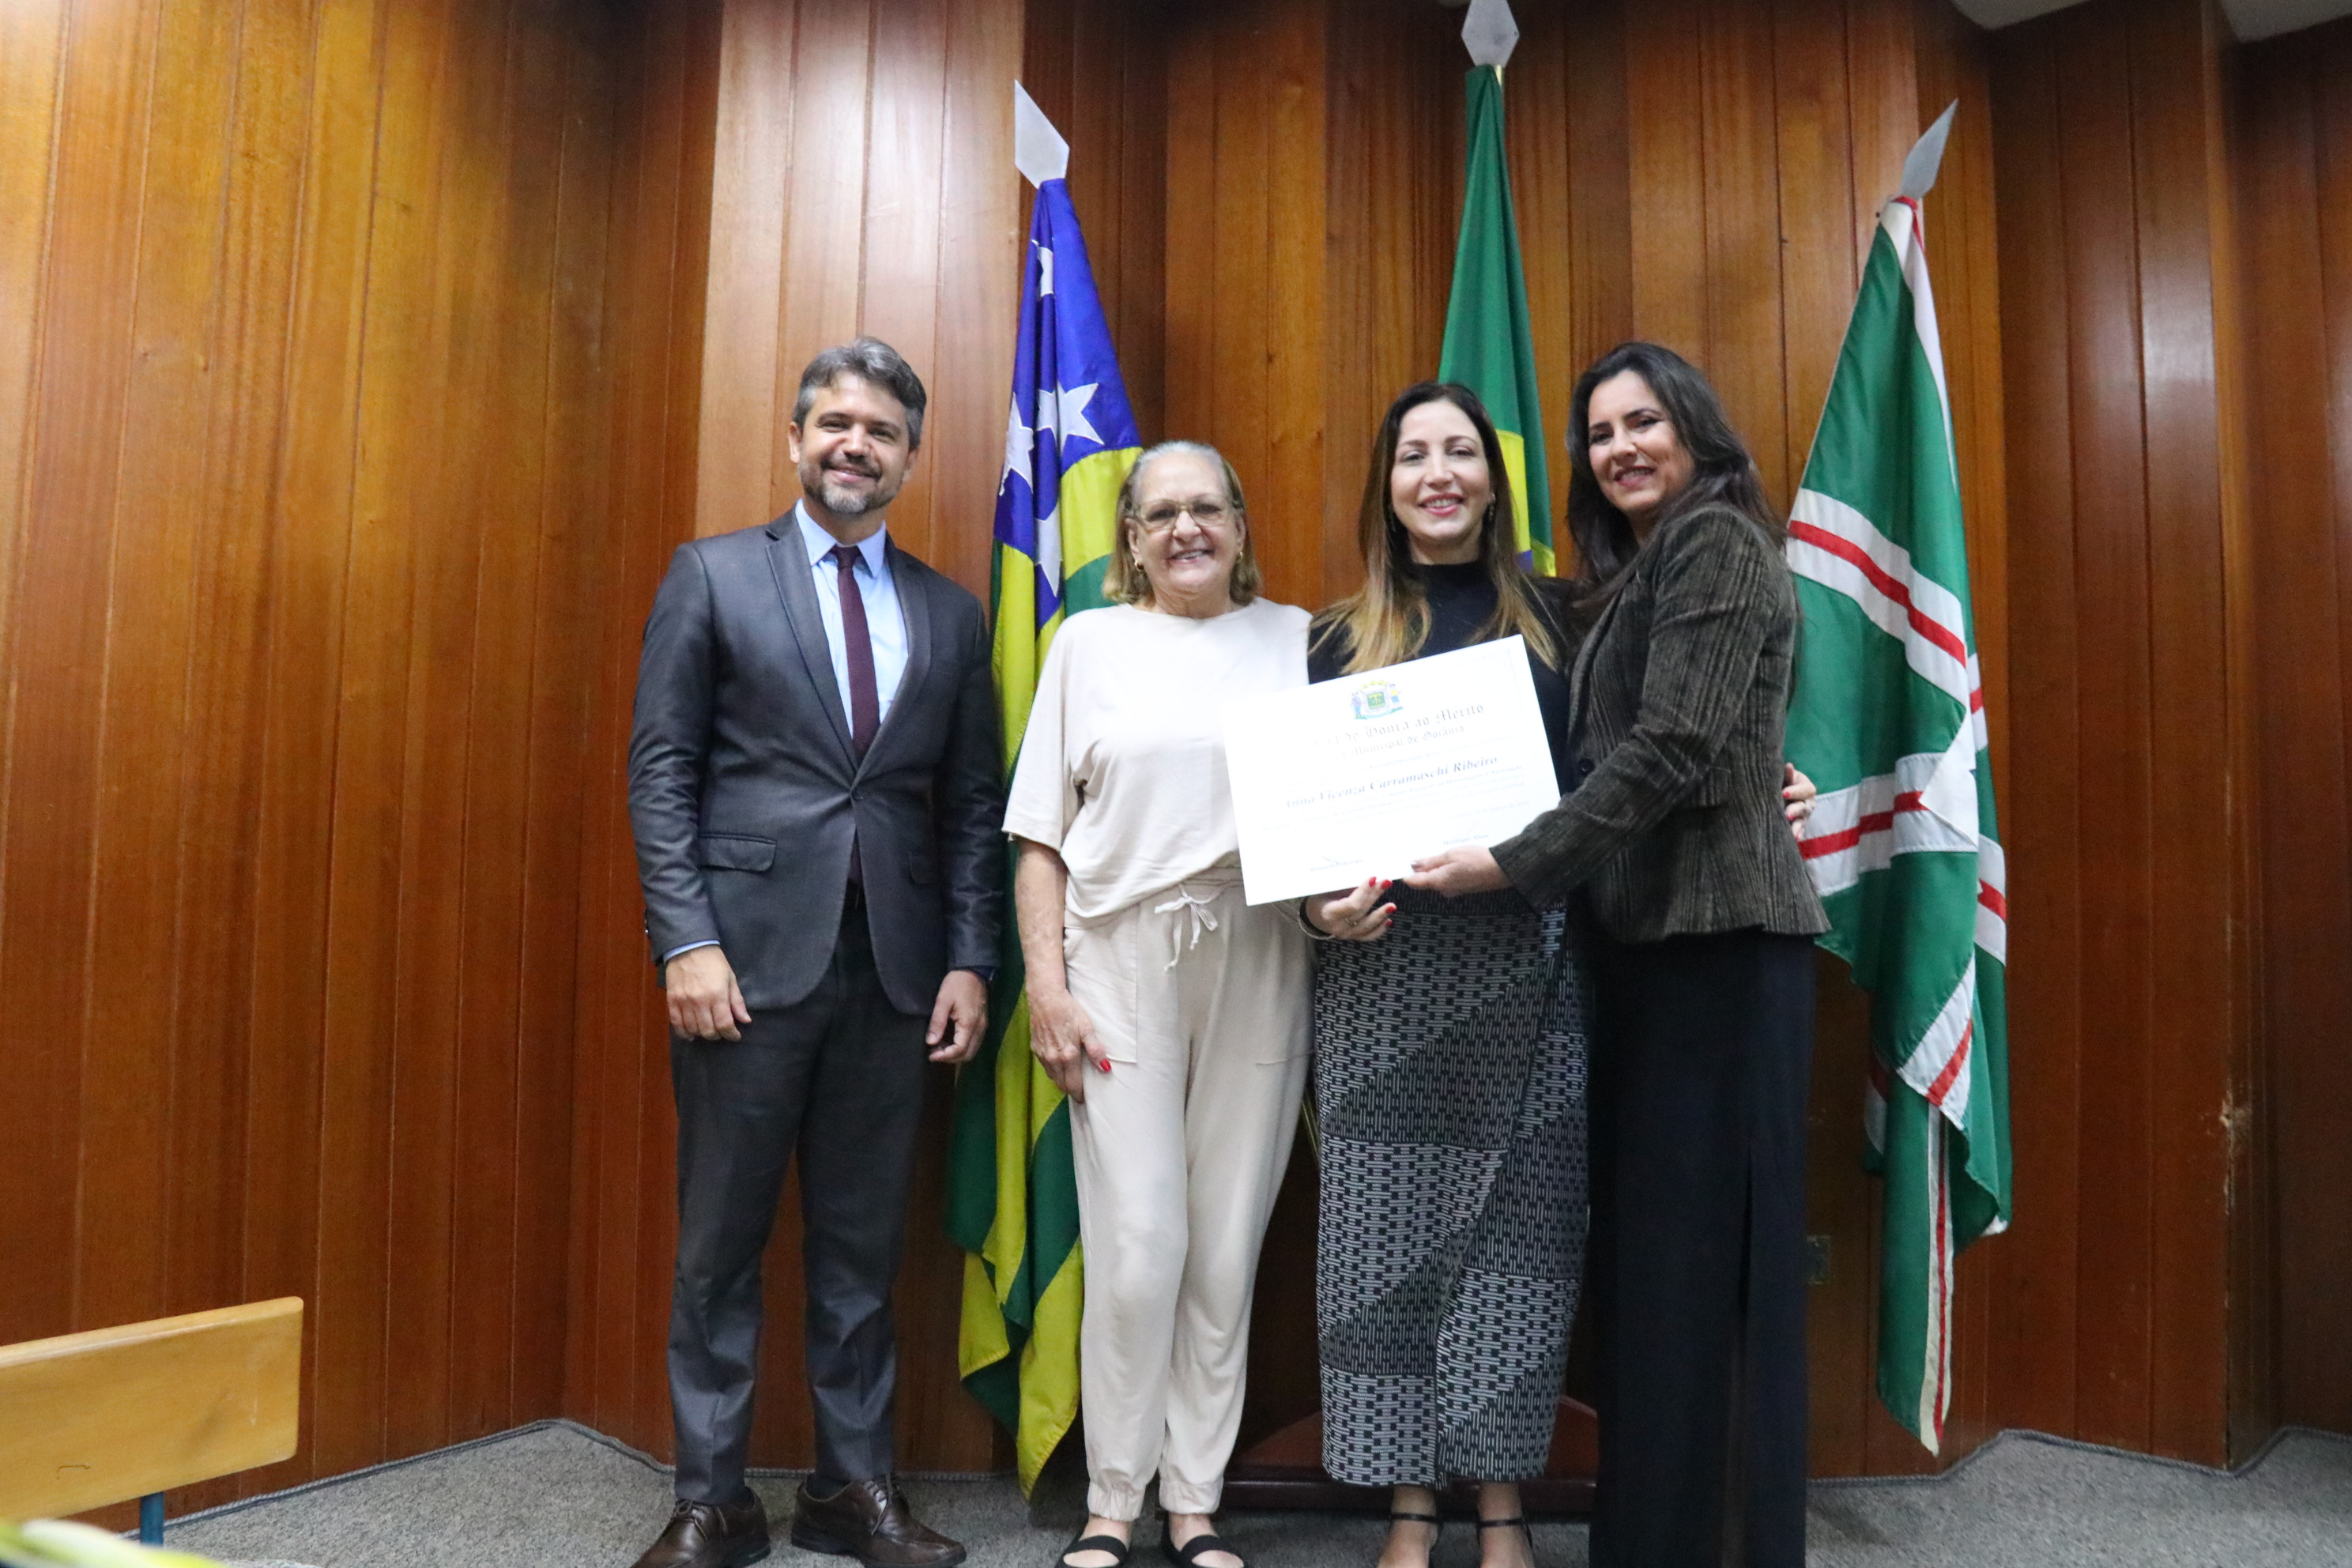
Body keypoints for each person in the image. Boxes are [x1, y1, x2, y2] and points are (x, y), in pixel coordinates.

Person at [1404, 342, 1830, 1568]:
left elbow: (1672, 749)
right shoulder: (1626, 575)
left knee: (1708, 1274)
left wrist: (1508, 863)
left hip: (1723, 953)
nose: (1622, 447)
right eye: (1599, 433)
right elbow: (1620, 746)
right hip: (1645, 954)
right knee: (1654, 1276)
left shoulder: (1718, 541)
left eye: (1644, 422)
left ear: (1695, 428)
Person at [628, 337, 1001, 1568]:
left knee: (859, 1249)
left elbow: (969, 807)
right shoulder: (713, 575)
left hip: (893, 978)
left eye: (882, 431)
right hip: (739, 970)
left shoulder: (952, 614)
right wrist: (686, 940)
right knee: (719, 1245)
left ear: (909, 458)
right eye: (836, 423)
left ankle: (851, 1491)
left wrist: (970, 959)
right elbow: (662, 770)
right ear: (796, 439)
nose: (856, 446)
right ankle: (712, 1501)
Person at [1005, 442, 1312, 1568]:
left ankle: (1193, 1504)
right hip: (1117, 959)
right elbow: (1038, 837)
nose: (1188, 529)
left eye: (1208, 509)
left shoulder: (1299, 640)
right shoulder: (1086, 644)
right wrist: (1046, 988)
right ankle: (1111, 1501)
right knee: (1141, 1243)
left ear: (1240, 524)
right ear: (1131, 539)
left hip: (1263, 949)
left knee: (1224, 1248)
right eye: (1163, 514)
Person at [1299, 383, 1589, 1568]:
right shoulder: (1333, 639)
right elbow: (1305, 830)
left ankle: (1502, 1506)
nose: (1438, 473)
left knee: (1523, 1247)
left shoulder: (1563, 619)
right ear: (1388, 484)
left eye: (1460, 451)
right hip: (1384, 980)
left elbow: (1622, 772)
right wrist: (1320, 907)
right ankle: (1409, 1507)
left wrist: (1767, 777)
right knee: (1383, 1250)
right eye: (1414, 454)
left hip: (1531, 966)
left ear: (1491, 479)